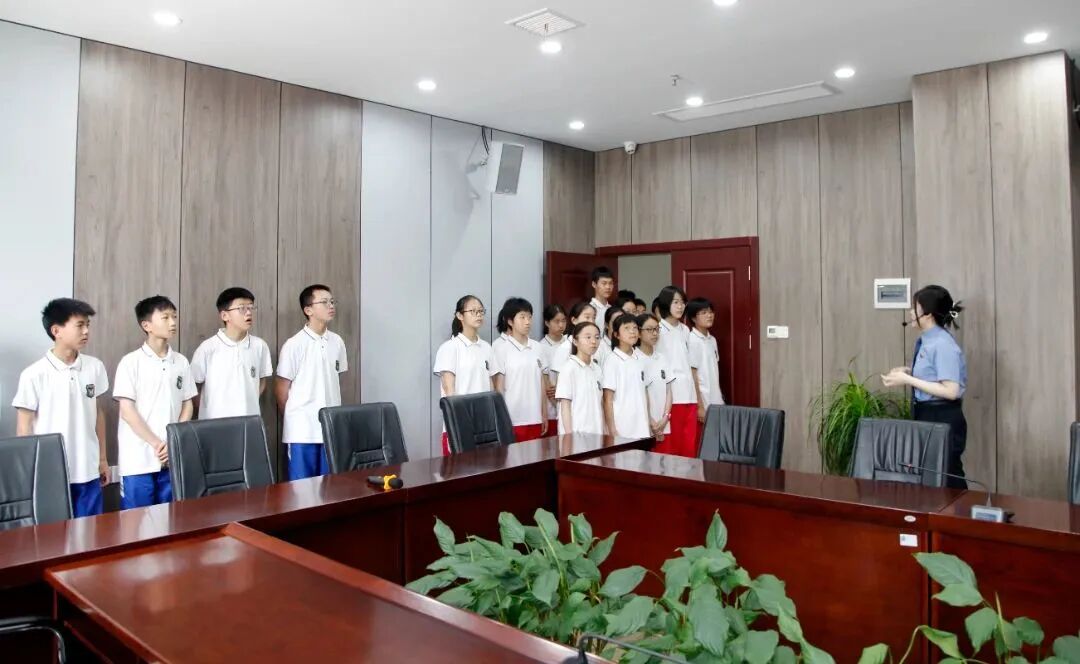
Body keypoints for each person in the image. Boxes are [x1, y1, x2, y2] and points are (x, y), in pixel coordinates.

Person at [13, 298, 110, 517]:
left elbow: (98, 414)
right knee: (54, 534)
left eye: (88, 325)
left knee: (91, 532)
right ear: (56, 331)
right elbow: (23, 428)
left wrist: (103, 459)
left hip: (88, 469)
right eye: (79, 325)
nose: (86, 331)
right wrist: (28, 473)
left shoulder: (94, 367)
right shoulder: (34, 374)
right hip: (50, 473)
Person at [113, 296, 197, 509]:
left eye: (174, 317)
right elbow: (127, 410)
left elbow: (188, 404)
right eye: (165, 317)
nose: (173, 322)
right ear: (146, 325)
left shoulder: (181, 361)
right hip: (138, 459)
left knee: (171, 519)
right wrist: (158, 444)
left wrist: (172, 441)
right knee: (136, 522)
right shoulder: (130, 362)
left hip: (171, 458)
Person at [882, 285, 968, 488]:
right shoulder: (926, 340)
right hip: (926, 414)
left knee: (948, 478)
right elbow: (934, 375)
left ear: (927, 314)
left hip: (942, 418)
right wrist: (909, 372)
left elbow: (951, 390)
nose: (910, 312)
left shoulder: (942, 344)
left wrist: (908, 380)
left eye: (915, 308)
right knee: (930, 478)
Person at [276, 284, 348, 480]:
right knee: (301, 489)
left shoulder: (337, 342)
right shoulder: (294, 344)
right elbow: (281, 390)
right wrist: (295, 419)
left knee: (330, 487)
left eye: (332, 301)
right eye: (324, 302)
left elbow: (336, 380)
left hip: (330, 428)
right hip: (302, 431)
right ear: (308, 310)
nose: (330, 305)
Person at [433, 295, 502, 455]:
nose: (478, 315)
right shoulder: (450, 348)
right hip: (459, 424)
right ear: (460, 315)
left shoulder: (486, 348)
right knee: (459, 468)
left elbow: (492, 386)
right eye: (473, 311)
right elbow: (449, 390)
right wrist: (456, 425)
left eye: (481, 311)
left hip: (485, 425)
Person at [190, 287, 273, 420]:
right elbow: (193, 388)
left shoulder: (259, 346)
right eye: (242, 308)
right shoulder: (207, 348)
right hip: (215, 424)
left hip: (249, 422)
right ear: (225, 316)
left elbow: (262, 381)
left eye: (251, 307)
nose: (248, 313)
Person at [493, 297, 548, 442]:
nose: (527, 322)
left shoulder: (538, 348)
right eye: (522, 317)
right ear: (510, 321)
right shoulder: (501, 349)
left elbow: (541, 382)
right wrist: (501, 418)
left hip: (535, 417)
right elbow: (499, 388)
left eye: (529, 317)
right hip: (512, 419)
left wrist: (544, 413)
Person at [655, 286, 698, 457]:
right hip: (671, 397)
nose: (680, 306)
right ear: (666, 304)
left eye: (682, 302)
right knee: (672, 447)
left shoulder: (685, 330)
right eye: (676, 302)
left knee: (689, 445)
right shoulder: (658, 330)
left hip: (689, 395)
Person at [602, 313, 652, 439]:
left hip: (642, 427)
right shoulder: (612, 360)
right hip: (622, 428)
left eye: (635, 328)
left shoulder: (640, 358)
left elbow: (644, 393)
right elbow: (607, 399)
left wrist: (649, 422)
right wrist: (612, 429)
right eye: (627, 328)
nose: (632, 332)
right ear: (616, 334)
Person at [555, 322, 605, 436]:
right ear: (575, 341)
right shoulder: (569, 368)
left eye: (597, 337)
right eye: (588, 337)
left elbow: (600, 403)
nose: (593, 341)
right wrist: (569, 436)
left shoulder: (597, 369)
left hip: (595, 433)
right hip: (575, 434)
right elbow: (565, 406)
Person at [636, 313, 675, 451]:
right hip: (643, 424)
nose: (654, 333)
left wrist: (665, 417)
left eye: (657, 329)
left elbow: (669, 391)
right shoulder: (634, 359)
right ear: (638, 333)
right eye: (649, 329)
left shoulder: (662, 358)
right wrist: (650, 421)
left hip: (663, 424)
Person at [686, 297, 725, 425]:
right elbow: (693, 375)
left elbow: (713, 371)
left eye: (710, 312)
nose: (709, 315)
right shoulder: (692, 340)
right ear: (693, 318)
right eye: (704, 313)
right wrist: (700, 406)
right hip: (703, 402)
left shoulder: (712, 340)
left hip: (716, 400)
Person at [548, 301, 597, 384]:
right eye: (587, 317)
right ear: (574, 320)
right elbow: (558, 383)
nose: (591, 321)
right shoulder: (565, 348)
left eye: (594, 318)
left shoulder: (594, 345)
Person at [538, 304, 568, 434]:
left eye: (563, 321)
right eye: (557, 321)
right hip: (551, 409)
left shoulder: (570, 343)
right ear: (547, 323)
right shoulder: (541, 347)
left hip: (571, 406)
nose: (561, 325)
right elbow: (547, 385)